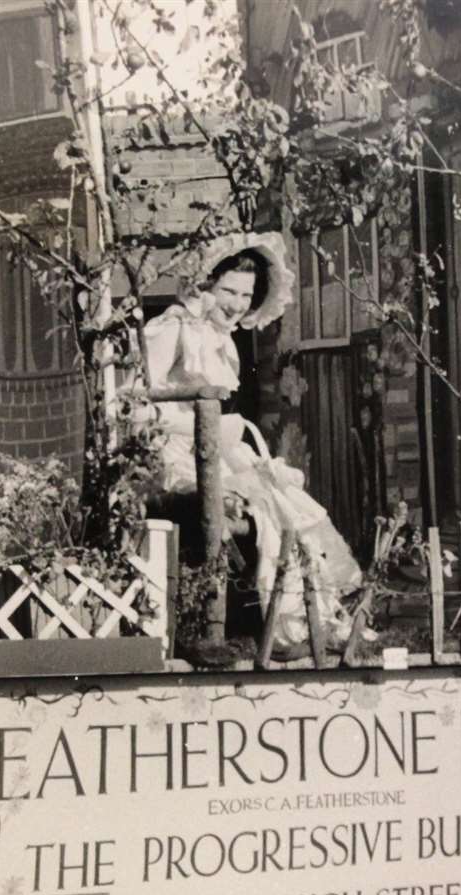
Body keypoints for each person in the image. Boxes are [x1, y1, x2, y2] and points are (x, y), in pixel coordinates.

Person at [140, 233, 361, 650]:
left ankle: (307, 615)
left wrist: (223, 431)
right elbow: (135, 407)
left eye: (246, 294)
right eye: (228, 290)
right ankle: (278, 620)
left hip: (214, 449)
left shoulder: (220, 339)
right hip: (175, 453)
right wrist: (200, 426)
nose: (238, 304)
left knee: (285, 503)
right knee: (262, 501)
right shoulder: (170, 329)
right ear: (200, 284)